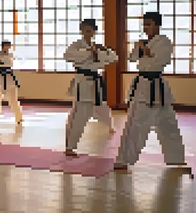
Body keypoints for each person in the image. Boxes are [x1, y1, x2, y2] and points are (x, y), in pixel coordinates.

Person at [114, 12, 187, 171]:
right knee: (136, 123)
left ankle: (176, 158)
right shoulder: (143, 42)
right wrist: (140, 47)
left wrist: (143, 49)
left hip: (158, 85)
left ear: (158, 25)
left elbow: (161, 60)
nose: (146, 27)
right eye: (144, 24)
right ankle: (124, 159)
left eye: (149, 24)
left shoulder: (164, 42)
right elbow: (132, 59)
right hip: (142, 86)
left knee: (168, 123)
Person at [63, 19, 117, 157]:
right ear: (81, 31)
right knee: (80, 113)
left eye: (91, 30)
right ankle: (70, 147)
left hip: (96, 81)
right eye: (86, 30)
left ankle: (110, 126)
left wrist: (103, 50)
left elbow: (113, 58)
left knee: (102, 108)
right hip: (83, 82)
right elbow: (68, 56)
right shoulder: (76, 46)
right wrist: (89, 52)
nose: (88, 33)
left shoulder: (97, 47)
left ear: (94, 32)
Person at [0, 40, 23, 123]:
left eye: (9, 46)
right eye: (6, 46)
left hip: (9, 76)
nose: (8, 47)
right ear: (3, 46)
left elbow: (11, 63)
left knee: (13, 97)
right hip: (1, 76)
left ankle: (19, 116)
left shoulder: (11, 54)